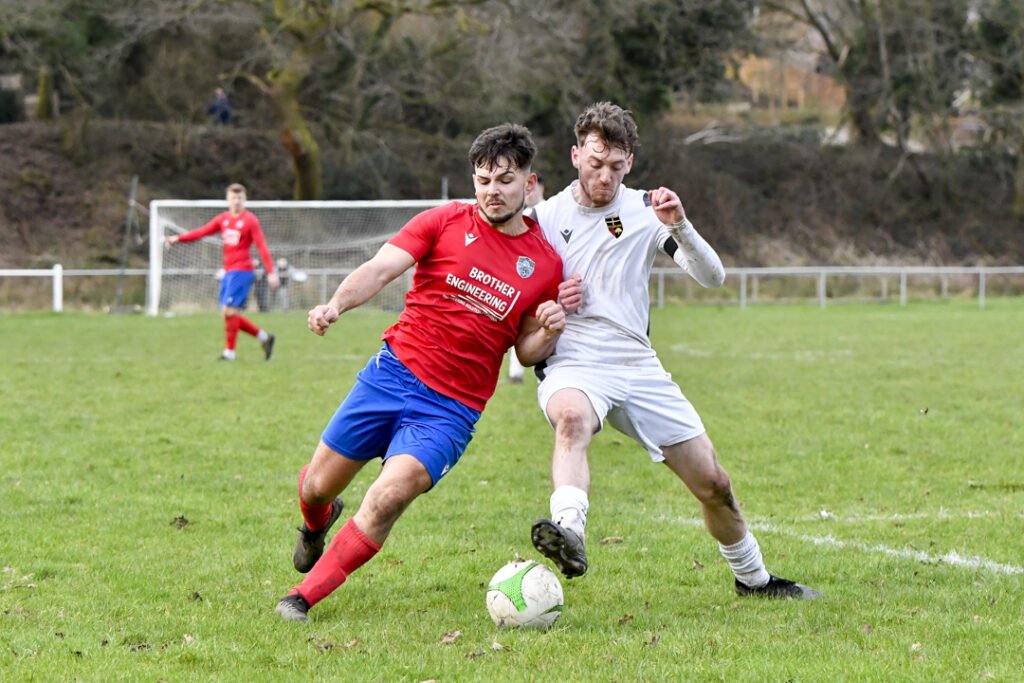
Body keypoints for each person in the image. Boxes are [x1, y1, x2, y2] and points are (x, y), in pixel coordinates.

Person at [274, 123, 570, 622]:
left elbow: (524, 352)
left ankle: (301, 597)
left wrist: (550, 330)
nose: (491, 191)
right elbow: (379, 268)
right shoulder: (444, 220)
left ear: (529, 182)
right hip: (390, 376)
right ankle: (314, 525)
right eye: (482, 180)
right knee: (316, 488)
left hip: (451, 410)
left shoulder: (543, 264)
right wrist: (336, 305)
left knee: (389, 495)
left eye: (503, 180)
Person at [528, 102, 822, 600]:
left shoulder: (646, 210)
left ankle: (754, 581)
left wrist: (680, 225)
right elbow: (522, 302)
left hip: (639, 365)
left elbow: (713, 277)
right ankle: (569, 531)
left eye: (616, 167)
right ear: (575, 155)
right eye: (595, 165)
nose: (605, 177)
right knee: (572, 421)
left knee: (714, 483)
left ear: (631, 164)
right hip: (574, 363)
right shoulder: (543, 219)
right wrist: (550, 302)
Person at [164, 183, 278, 361]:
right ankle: (264, 338)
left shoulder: (250, 220)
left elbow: (262, 246)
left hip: (243, 271)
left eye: (240, 198)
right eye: (233, 198)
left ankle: (230, 353)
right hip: (229, 271)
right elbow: (201, 232)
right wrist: (177, 238)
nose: (236, 201)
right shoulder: (223, 219)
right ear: (228, 199)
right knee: (228, 313)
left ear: (245, 199)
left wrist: (271, 272)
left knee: (229, 311)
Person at [507, 172, 546, 384]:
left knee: (545, 328)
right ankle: (515, 374)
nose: (530, 192)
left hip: (545, 283)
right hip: (522, 281)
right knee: (518, 328)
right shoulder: (516, 214)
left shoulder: (551, 212)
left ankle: (545, 378)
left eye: (534, 187)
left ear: (541, 188)